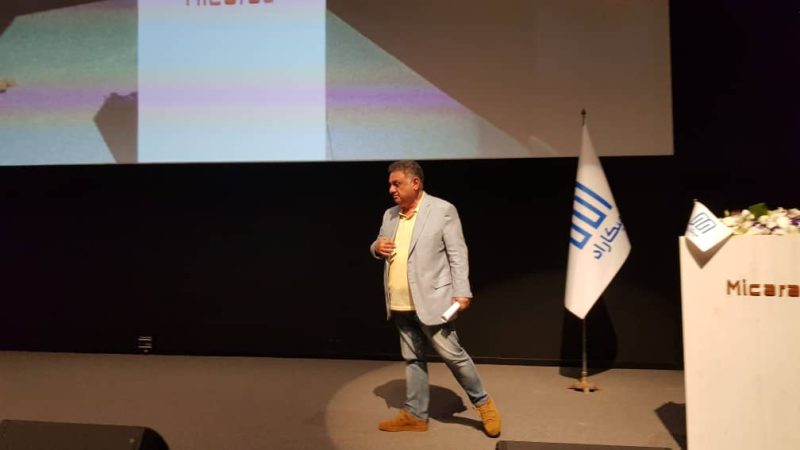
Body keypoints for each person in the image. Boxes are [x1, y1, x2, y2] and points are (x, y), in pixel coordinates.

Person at [370, 160, 501, 437]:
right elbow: (379, 242)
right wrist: (376, 247)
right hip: (399, 301)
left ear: (415, 183)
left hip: (433, 301)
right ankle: (416, 415)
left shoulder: (442, 210)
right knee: (413, 359)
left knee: (453, 356)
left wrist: (462, 290)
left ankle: (484, 403)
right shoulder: (390, 215)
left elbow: (457, 253)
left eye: (397, 184)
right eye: (390, 184)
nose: (391, 189)